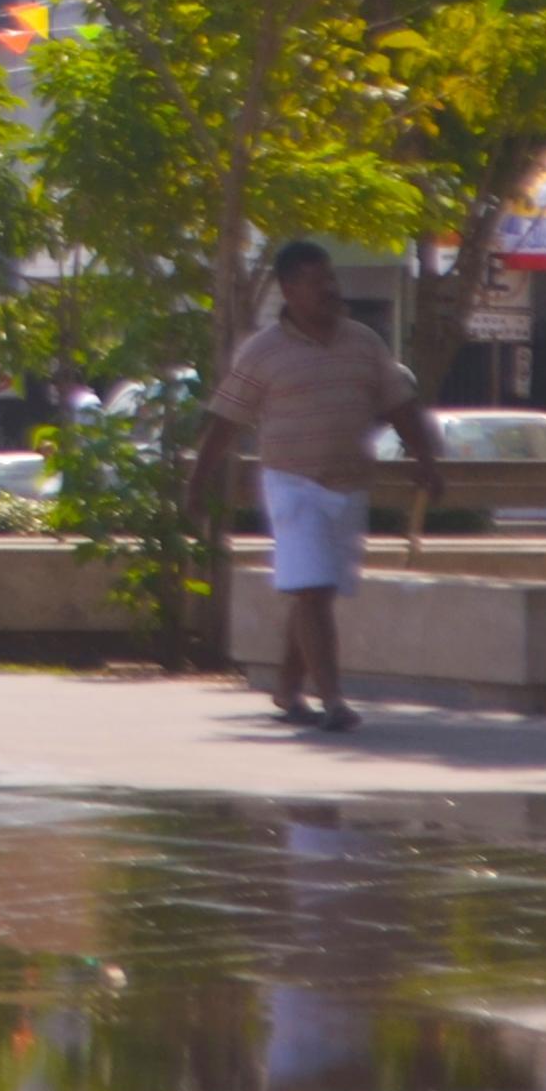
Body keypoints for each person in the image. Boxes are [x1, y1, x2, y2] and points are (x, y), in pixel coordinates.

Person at [185, 239, 439, 733]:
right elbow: (224, 421)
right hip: (292, 483)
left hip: (348, 485)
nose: (329, 289)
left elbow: (399, 404)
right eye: (316, 281)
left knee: (312, 592)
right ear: (289, 289)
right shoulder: (263, 351)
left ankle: (287, 688)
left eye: (331, 279)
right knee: (315, 591)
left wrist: (426, 459)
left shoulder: (364, 342)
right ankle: (333, 701)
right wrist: (198, 481)